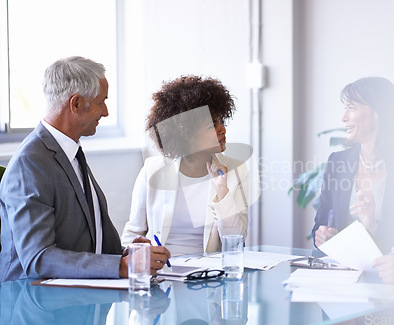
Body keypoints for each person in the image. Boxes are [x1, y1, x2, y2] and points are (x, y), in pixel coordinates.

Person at [0, 56, 170, 282]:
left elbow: (84, 241)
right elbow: (38, 259)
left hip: (74, 297)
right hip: (35, 305)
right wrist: (119, 266)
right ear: (76, 103)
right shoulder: (30, 163)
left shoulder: (70, 152)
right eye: (102, 101)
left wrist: (127, 254)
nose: (106, 112)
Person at [312, 77, 394, 283]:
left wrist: (373, 226)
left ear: (378, 114)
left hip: (392, 288)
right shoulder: (337, 163)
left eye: (351, 108)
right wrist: (324, 237)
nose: (343, 117)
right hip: (340, 282)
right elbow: (320, 222)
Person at [121, 75, 249, 256]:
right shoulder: (153, 169)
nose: (222, 129)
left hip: (207, 277)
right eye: (212, 124)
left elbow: (236, 240)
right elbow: (132, 234)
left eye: (222, 121)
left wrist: (222, 190)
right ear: (186, 132)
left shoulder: (236, 171)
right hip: (160, 273)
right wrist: (135, 258)